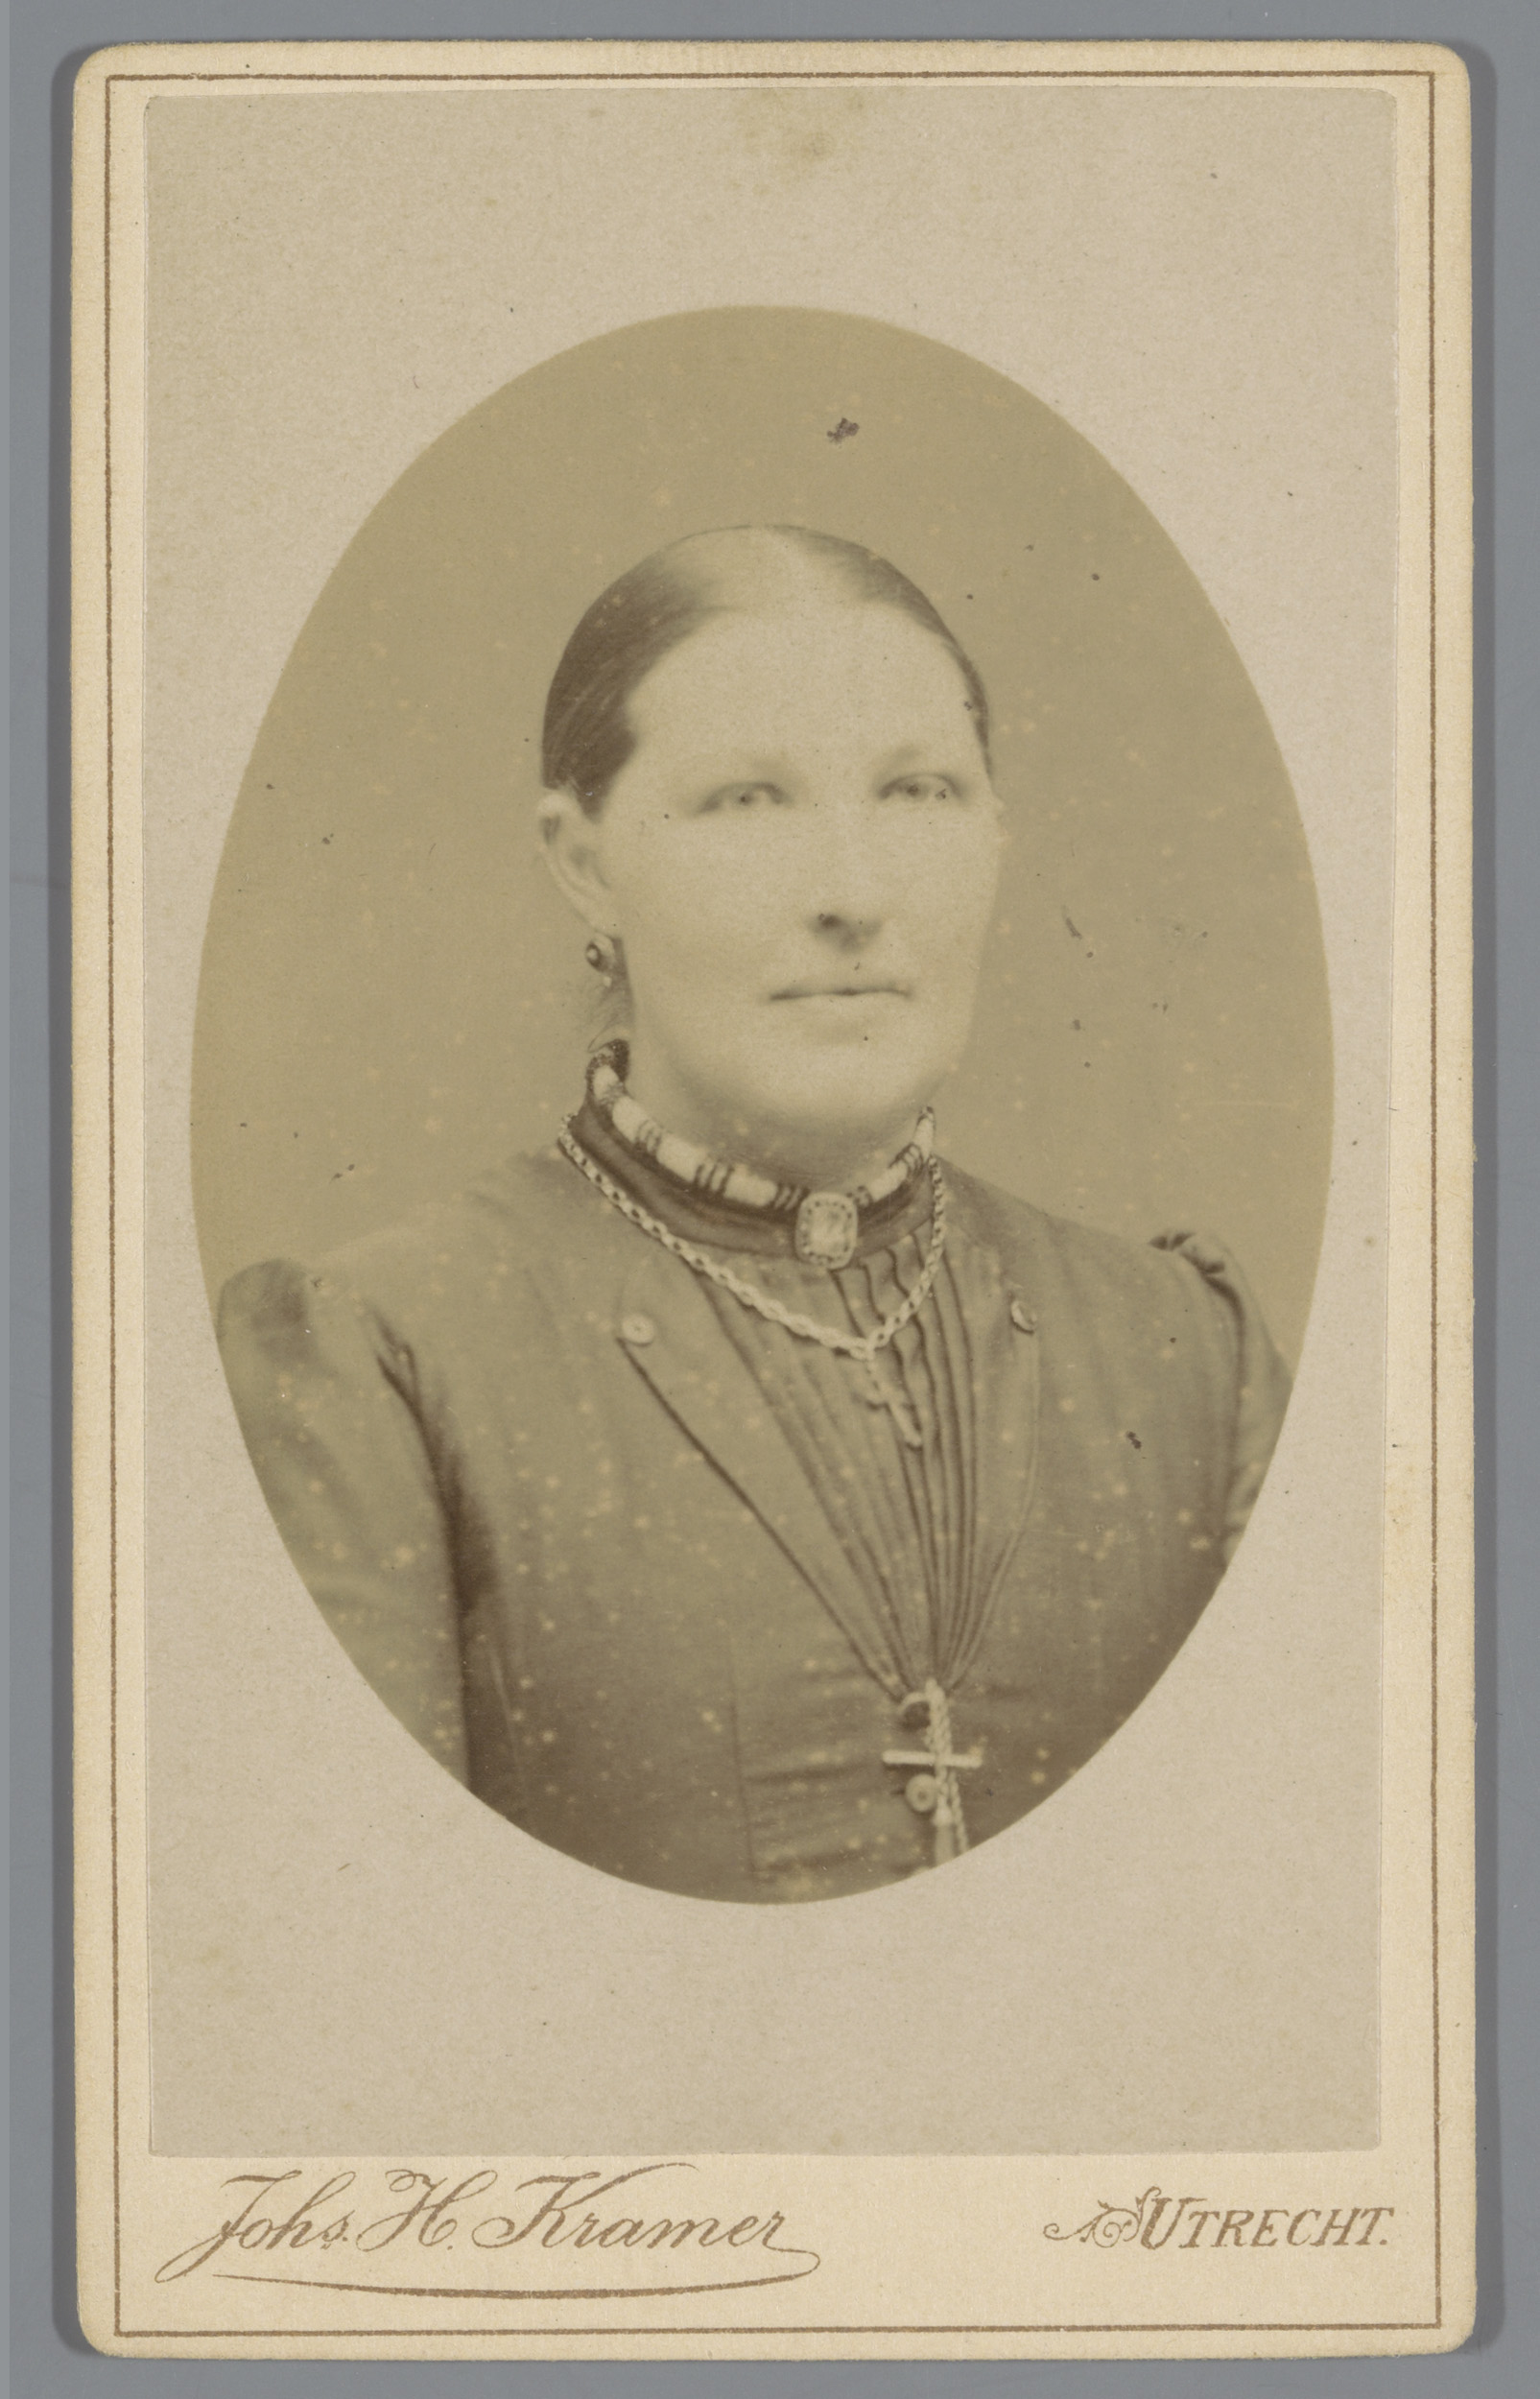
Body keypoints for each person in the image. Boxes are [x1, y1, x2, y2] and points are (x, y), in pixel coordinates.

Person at [218, 525, 1291, 1905]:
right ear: (584, 862)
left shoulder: (1179, 1352)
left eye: (917, 791)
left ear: (994, 836)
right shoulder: (384, 1360)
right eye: (745, 802)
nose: (854, 894)